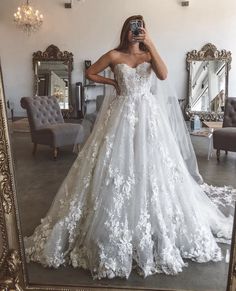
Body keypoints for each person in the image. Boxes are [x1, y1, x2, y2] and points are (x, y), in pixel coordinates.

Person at [24, 15, 235, 280]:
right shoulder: (114, 55)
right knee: (115, 165)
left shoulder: (149, 56)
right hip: (121, 116)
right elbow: (90, 72)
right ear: (126, 31)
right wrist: (112, 82)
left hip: (148, 117)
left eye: (140, 29)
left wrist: (151, 44)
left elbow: (164, 74)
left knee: (151, 164)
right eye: (133, 28)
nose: (136, 32)